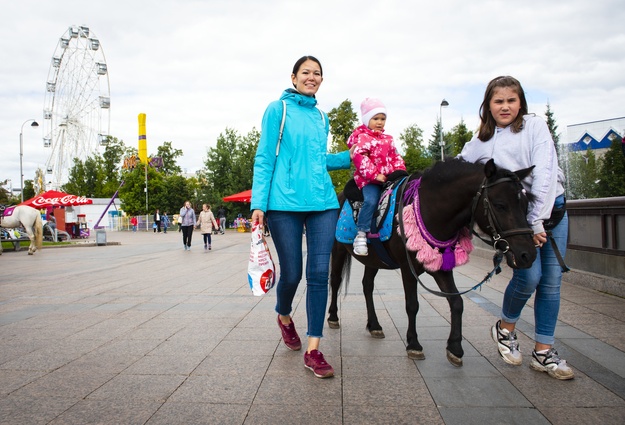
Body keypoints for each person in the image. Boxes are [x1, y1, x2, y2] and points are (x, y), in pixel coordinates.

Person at [458, 75, 573, 380]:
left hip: (552, 211)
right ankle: (505, 328)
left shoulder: (535, 127)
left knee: (550, 282)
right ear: (488, 105)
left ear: (520, 102)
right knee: (529, 276)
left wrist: (538, 219)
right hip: (520, 221)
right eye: (499, 101)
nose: (505, 106)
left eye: (511, 100)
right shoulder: (481, 140)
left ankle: (543, 351)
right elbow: (458, 168)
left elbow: (546, 173)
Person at [251, 55, 353, 379]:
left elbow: (318, 159)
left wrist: (355, 155)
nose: (312, 77)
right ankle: (283, 315)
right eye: (306, 72)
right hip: (284, 204)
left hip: (323, 203)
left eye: (317, 73)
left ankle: (314, 349)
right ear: (294, 77)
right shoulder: (276, 111)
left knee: (320, 273)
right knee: (292, 274)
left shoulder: (322, 116)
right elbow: (265, 157)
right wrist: (259, 204)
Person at [347, 98, 406, 256]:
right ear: (367, 120)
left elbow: (395, 157)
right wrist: (374, 175)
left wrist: (400, 170)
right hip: (369, 180)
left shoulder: (388, 139)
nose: (380, 122)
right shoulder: (363, 139)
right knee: (371, 200)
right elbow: (360, 159)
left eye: (383, 118)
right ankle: (361, 233)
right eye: (375, 118)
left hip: (388, 179)